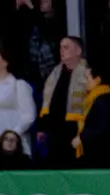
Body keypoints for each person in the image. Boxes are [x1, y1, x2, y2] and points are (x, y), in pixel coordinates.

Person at [33, 35, 88, 167]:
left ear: (78, 51)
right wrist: (42, 127)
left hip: (76, 131)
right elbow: (46, 101)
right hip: (55, 132)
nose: (62, 50)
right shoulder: (55, 73)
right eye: (60, 47)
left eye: (66, 47)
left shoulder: (87, 73)